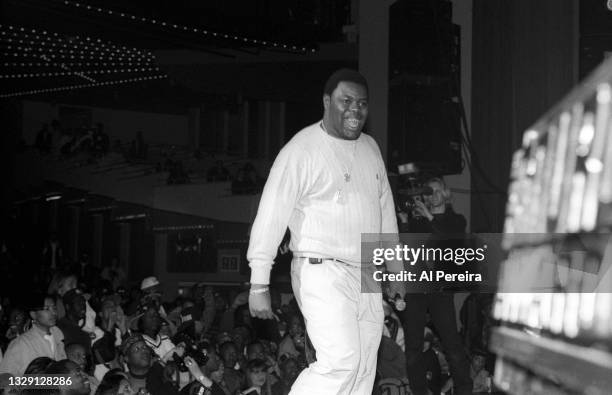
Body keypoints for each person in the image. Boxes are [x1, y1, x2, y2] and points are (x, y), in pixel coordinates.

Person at [247, 68, 405, 394]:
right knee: (341, 362)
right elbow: (271, 214)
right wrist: (258, 280)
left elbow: (385, 214)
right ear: (326, 101)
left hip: (366, 272)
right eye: (346, 100)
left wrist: (395, 269)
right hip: (321, 269)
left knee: (363, 369)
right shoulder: (301, 149)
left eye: (362, 103)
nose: (355, 110)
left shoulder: (371, 148)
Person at [397, 177, 473, 395]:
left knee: (452, 344)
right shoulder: (419, 221)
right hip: (417, 288)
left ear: (446, 194)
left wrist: (428, 216)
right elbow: (407, 251)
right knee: (413, 347)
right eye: (430, 192)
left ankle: (464, 390)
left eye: (438, 191)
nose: (433, 195)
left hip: (440, 289)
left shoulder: (455, 219)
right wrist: (404, 221)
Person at [0, 293, 66, 376]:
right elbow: (5, 379)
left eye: (54, 308)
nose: (53, 312)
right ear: (33, 314)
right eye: (47, 309)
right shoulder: (21, 344)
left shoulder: (59, 337)